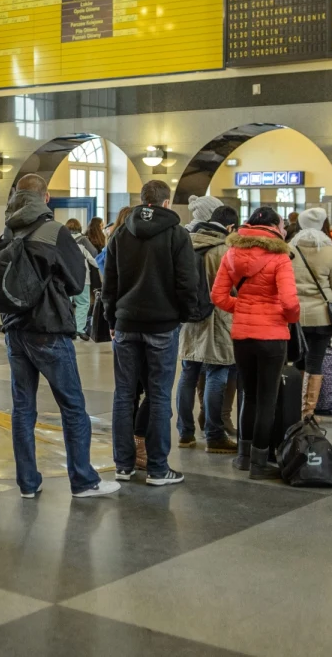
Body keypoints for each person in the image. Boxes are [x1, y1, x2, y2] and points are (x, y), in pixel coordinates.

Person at [1, 175, 118, 499]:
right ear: (46, 197)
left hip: (14, 330)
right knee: (72, 406)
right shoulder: (54, 231)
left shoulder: (7, 230)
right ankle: (82, 480)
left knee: (22, 408)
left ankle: (27, 483)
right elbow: (77, 282)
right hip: (49, 329)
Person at [102, 180, 198, 487]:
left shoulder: (120, 233)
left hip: (126, 323)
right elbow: (186, 281)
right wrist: (181, 315)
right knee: (158, 396)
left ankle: (123, 465)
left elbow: (110, 284)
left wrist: (111, 319)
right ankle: (158, 468)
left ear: (142, 201)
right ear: (167, 204)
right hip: (162, 325)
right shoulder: (177, 234)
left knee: (124, 395)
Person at [211, 207, 300, 480]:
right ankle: (260, 463)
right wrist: (286, 317)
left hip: (243, 337)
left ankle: (243, 457)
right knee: (267, 400)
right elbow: (290, 303)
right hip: (272, 337)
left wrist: (244, 306)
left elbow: (218, 296)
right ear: (275, 226)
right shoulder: (280, 256)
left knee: (248, 396)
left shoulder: (232, 253)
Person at [175, 205, 239, 454]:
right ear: (231, 227)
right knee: (217, 373)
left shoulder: (185, 243)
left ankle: (185, 433)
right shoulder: (225, 249)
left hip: (189, 318)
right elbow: (232, 289)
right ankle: (214, 435)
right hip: (218, 318)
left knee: (188, 373)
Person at [289, 208, 332, 418]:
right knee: (316, 361)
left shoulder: (288, 250)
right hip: (322, 316)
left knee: (296, 360)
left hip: (293, 315)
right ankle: (308, 411)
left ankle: (293, 407)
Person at [65, 218, 98, 341]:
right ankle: (80, 329)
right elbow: (94, 257)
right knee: (83, 303)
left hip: (65, 278)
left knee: (66, 303)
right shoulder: (84, 241)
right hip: (82, 278)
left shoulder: (63, 241)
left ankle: (67, 329)